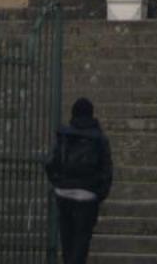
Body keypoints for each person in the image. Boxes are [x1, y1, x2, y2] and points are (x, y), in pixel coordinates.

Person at [46, 96, 113, 263]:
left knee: (67, 242)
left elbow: (51, 163)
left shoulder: (64, 135)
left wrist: (58, 183)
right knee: (81, 243)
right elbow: (107, 171)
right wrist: (99, 194)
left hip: (64, 193)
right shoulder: (99, 139)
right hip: (88, 196)